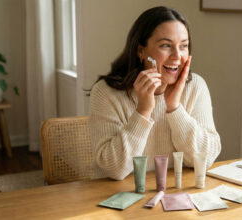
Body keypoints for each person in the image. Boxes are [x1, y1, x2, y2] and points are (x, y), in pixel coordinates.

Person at [89, 6, 221, 180]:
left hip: (175, 195)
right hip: (117, 197)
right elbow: (113, 170)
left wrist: (174, 109)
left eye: (183, 46)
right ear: (141, 51)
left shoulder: (195, 86)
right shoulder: (106, 92)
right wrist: (143, 111)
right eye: (166, 45)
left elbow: (206, 158)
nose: (176, 56)